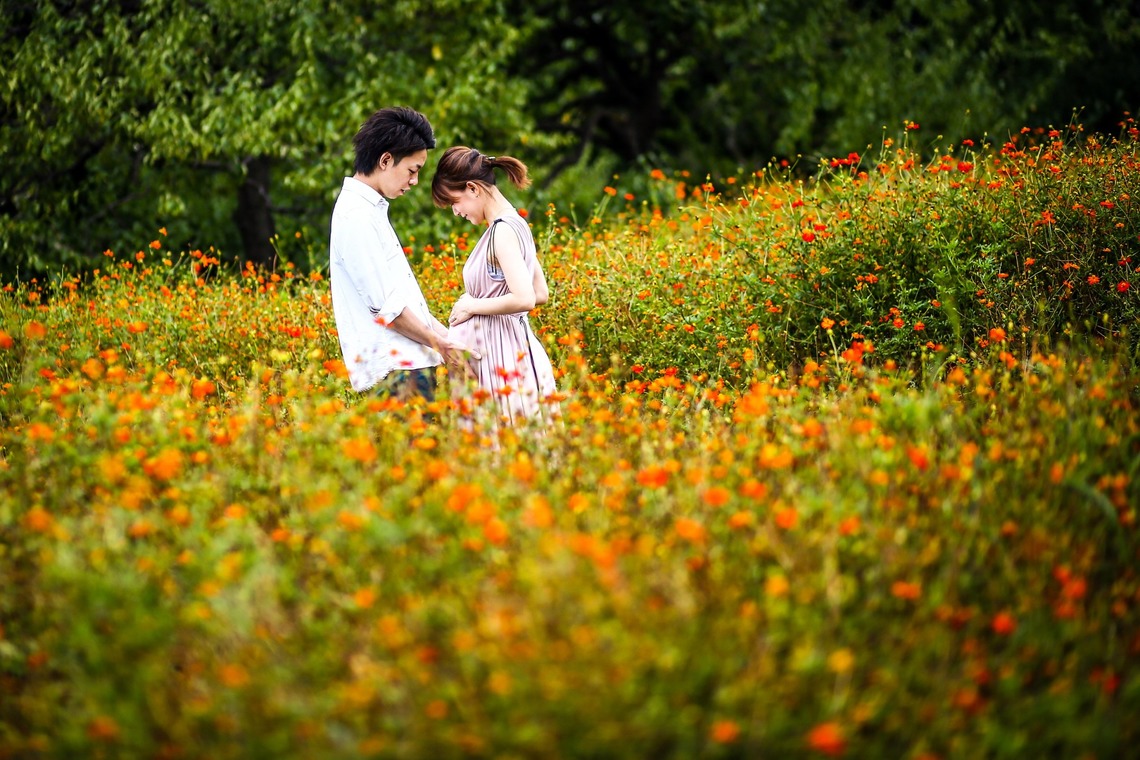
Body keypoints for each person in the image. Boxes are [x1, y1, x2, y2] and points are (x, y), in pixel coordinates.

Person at [328, 107, 478, 399]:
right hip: (396, 373)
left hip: (409, 367)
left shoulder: (370, 211)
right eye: (412, 170)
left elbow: (402, 301)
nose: (414, 181)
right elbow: (387, 309)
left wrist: (450, 340)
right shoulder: (356, 215)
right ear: (386, 160)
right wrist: (442, 345)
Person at [430, 146, 558, 426]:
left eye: (455, 202)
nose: (456, 212)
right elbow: (541, 293)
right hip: (506, 348)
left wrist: (471, 304)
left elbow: (525, 298)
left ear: (473, 189)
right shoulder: (516, 224)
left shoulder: (501, 231)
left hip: (500, 354)